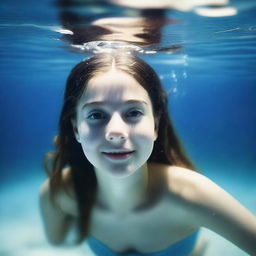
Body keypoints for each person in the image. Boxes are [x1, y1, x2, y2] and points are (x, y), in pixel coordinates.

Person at [39, 51, 256, 256]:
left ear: (155, 124)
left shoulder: (193, 195)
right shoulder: (57, 194)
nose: (116, 132)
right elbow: (56, 241)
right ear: (76, 128)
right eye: (96, 115)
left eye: (133, 112)